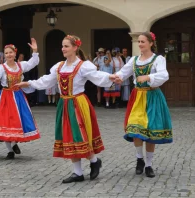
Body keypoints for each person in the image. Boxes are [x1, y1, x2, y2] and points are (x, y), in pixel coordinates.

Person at [13, 35, 117, 183]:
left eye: (66, 46)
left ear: (75, 48)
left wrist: (112, 77)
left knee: (80, 136)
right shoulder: (59, 66)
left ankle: (94, 160)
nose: (63, 49)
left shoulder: (83, 66)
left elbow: (97, 76)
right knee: (68, 136)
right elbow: (47, 81)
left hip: (78, 104)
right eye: (62, 46)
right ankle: (78, 172)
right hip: (64, 104)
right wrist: (28, 83)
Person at [114, 32, 172, 178]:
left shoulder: (158, 59)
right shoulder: (134, 60)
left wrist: (149, 77)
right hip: (138, 97)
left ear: (151, 43)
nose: (140, 44)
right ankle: (139, 159)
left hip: (152, 97)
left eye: (143, 42)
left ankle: (149, 164)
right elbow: (123, 72)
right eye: (138, 41)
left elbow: (164, 75)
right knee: (136, 128)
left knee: (150, 131)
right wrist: (118, 78)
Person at [0, 39, 40, 159]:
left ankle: (13, 144)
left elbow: (33, 62)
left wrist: (35, 51)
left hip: (18, 96)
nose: (8, 55)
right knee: (4, 121)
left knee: (17, 120)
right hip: (5, 97)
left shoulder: (20, 65)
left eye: (10, 52)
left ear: (15, 53)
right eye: (6, 53)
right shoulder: (1, 68)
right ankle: (10, 148)